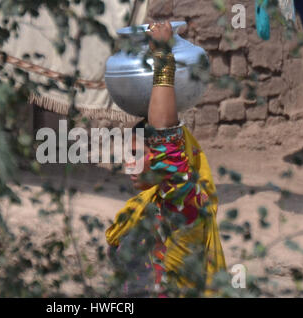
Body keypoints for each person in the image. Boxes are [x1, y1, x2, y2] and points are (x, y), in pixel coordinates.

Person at [105, 21, 227, 297]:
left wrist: (162, 56)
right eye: (129, 153)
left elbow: (166, 139)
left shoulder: (185, 209)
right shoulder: (141, 209)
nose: (130, 164)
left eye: (138, 154)